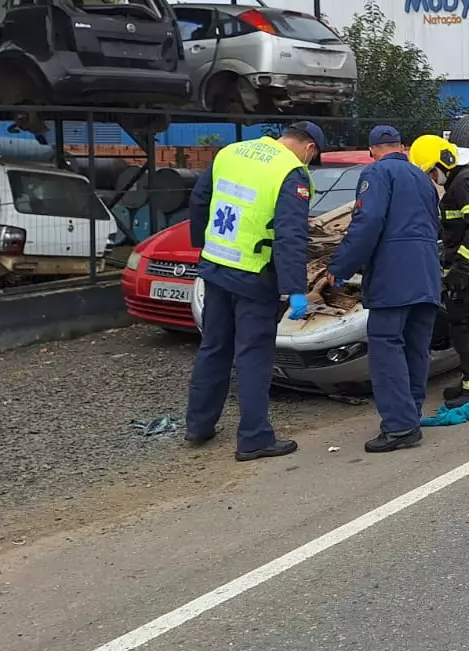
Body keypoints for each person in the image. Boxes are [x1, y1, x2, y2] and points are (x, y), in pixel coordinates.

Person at [185, 121, 324, 461]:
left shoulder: (230, 153)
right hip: (253, 276)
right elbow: (291, 235)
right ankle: (254, 438)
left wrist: (203, 245)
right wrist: (294, 288)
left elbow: (199, 200)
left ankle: (198, 426)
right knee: (253, 357)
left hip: (216, 267)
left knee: (214, 348)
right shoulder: (291, 172)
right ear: (309, 149)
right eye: (313, 158)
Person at [325, 126, 442, 453]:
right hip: (427, 273)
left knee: (386, 348)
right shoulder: (423, 178)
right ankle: (411, 414)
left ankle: (400, 427)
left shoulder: (376, 173)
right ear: (402, 147)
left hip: (394, 276)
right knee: (416, 348)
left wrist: (340, 268)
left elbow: (368, 221)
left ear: (372, 150)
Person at [408, 135, 469, 408]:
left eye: (431, 170)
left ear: (444, 161)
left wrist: (460, 267)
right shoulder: (463, 182)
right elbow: (460, 227)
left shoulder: (465, 183)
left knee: (466, 326)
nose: (431, 177)